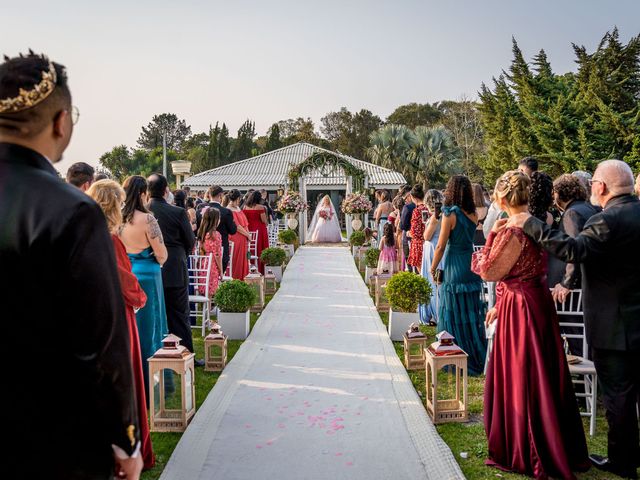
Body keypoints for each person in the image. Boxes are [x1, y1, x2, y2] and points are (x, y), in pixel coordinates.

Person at [0, 52, 141, 479]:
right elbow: (99, 344)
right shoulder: (72, 212)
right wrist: (125, 437)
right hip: (50, 438)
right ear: (61, 122)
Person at [508, 159, 640, 479]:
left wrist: (528, 222)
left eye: (594, 181)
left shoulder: (607, 220)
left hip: (614, 325)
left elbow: (572, 249)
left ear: (601, 187)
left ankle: (623, 462)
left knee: (618, 397)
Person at [472, 170, 590, 479]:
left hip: (520, 306)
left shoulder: (512, 230)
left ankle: (529, 446)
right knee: (543, 372)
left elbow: (489, 271)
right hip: (536, 301)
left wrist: (491, 237)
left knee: (524, 373)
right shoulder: (541, 223)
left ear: (501, 198)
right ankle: (555, 439)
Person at [87, 180, 155, 471]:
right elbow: (122, 279)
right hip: (116, 313)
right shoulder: (108, 238)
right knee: (125, 375)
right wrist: (140, 295)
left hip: (89, 312)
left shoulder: (84, 233)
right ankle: (130, 449)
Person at [431, 175, 487, 376]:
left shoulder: (450, 213)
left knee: (452, 308)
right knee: (470, 310)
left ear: (451, 190)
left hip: (454, 264)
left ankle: (452, 352)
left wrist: (433, 267)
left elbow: (440, 245)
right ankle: (474, 353)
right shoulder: (473, 214)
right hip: (470, 265)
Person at [120, 175, 168, 402]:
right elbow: (162, 254)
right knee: (152, 328)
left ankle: (131, 382)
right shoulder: (147, 219)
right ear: (142, 194)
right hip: (148, 275)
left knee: (132, 329)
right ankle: (151, 386)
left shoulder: (117, 219)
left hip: (126, 273)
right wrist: (156, 259)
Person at [147, 174, 197, 359]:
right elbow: (190, 240)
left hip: (149, 266)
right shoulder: (177, 212)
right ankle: (186, 354)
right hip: (175, 265)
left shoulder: (141, 212)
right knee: (179, 314)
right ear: (166, 189)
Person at [419, 189, 444, 325]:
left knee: (432, 281)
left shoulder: (436, 216)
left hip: (433, 248)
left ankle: (433, 313)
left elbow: (427, 236)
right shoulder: (442, 214)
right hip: (437, 247)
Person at [198, 185, 237, 272]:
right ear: (220, 195)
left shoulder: (200, 210)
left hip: (203, 251)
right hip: (220, 250)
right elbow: (233, 230)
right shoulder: (226, 212)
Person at [197, 207, 223, 296]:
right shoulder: (215, 234)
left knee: (206, 290)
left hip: (203, 263)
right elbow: (217, 255)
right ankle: (208, 309)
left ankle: (207, 308)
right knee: (210, 291)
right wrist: (221, 271)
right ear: (215, 220)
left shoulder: (202, 233)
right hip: (212, 265)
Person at [227, 189, 251, 279]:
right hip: (236, 237)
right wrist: (247, 234)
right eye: (239, 199)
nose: (239, 201)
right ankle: (236, 278)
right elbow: (237, 226)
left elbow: (245, 223)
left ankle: (244, 277)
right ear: (237, 198)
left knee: (243, 259)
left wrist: (248, 234)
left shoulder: (237, 208)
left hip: (243, 237)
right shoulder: (228, 209)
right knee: (237, 258)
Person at [243, 190, 270, 272]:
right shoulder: (260, 207)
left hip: (249, 229)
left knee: (250, 248)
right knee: (260, 248)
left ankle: (250, 266)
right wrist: (267, 223)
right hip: (260, 230)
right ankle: (261, 268)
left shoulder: (245, 207)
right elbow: (264, 220)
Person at [407, 184, 428, 273]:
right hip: (428, 242)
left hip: (418, 244)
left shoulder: (417, 211)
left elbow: (415, 232)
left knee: (422, 273)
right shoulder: (428, 209)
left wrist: (408, 233)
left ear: (412, 197)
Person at [398, 185, 415, 271]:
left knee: (409, 259)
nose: (405, 201)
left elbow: (402, 225)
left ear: (409, 195)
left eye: (405, 199)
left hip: (408, 236)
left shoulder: (407, 207)